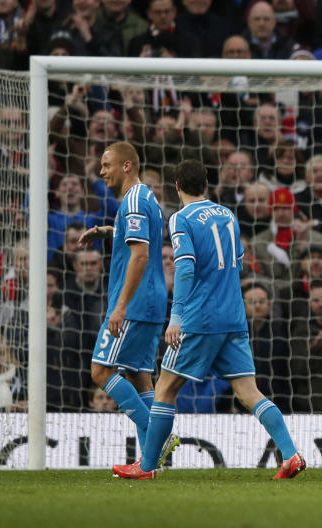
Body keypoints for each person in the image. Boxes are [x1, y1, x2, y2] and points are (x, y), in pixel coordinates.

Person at [112, 160, 305, 480]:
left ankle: (146, 467)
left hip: (199, 318)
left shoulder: (180, 218)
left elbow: (185, 267)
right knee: (248, 392)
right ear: (207, 185)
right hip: (234, 315)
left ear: (177, 186)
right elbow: (239, 261)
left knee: (164, 389)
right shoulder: (228, 215)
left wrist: (176, 317)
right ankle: (290, 454)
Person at [77, 141, 166, 457]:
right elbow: (140, 238)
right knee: (140, 377)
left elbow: (140, 256)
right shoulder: (147, 199)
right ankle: (148, 464)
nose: (102, 172)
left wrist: (120, 306)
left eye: (106, 164)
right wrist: (105, 231)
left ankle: (159, 438)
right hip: (153, 302)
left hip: (135, 304)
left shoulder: (133, 202)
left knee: (100, 371)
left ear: (127, 165)